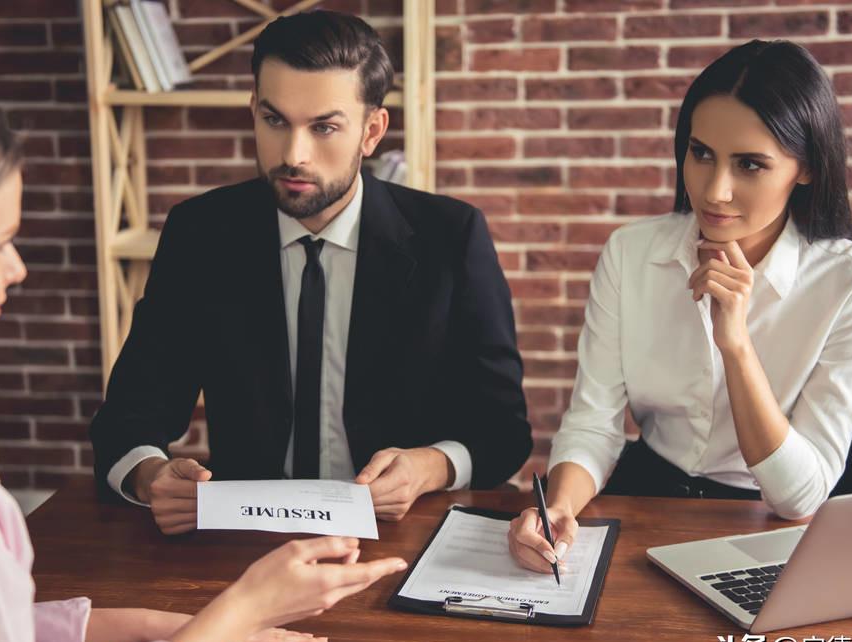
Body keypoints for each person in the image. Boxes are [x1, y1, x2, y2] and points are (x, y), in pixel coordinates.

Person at [0, 76, 407, 642]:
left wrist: (167, 628)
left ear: (371, 130)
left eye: (323, 125)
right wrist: (241, 609)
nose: (18, 269)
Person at [90, 10, 532, 533]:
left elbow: (504, 432)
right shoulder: (200, 234)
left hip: (403, 534)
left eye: (324, 127)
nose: (293, 155)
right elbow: (127, 421)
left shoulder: (451, 238)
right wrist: (151, 476)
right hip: (244, 541)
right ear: (253, 110)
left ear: (372, 132)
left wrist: (426, 468)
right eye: (275, 120)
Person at [508, 40, 852, 574]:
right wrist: (560, 511)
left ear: (805, 168)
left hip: (763, 520)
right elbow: (595, 422)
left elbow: (799, 497)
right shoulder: (631, 253)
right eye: (701, 153)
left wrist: (735, 344)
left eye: (750, 165)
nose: (715, 191)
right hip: (644, 497)